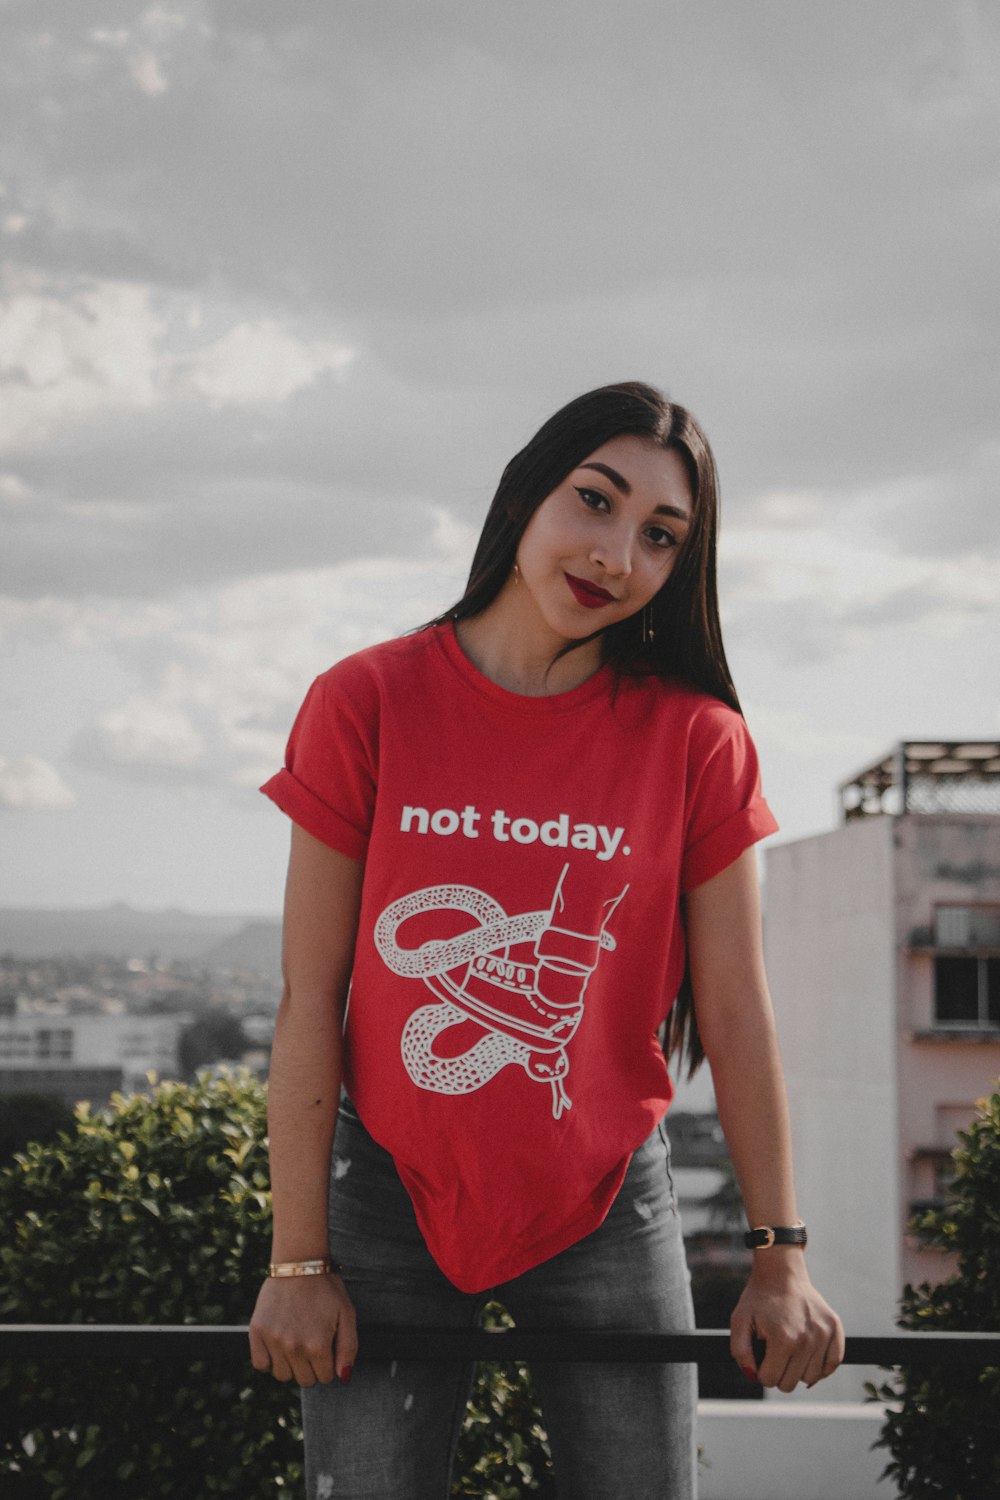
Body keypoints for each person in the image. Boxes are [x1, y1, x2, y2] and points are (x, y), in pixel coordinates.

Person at [249, 381, 845, 1499]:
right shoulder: (365, 700)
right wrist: (298, 1258)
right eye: (595, 501)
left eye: (660, 536)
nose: (617, 554)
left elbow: (735, 1006)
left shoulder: (697, 742)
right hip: (388, 1189)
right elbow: (308, 998)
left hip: (610, 1201)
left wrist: (781, 1257)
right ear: (527, 491)